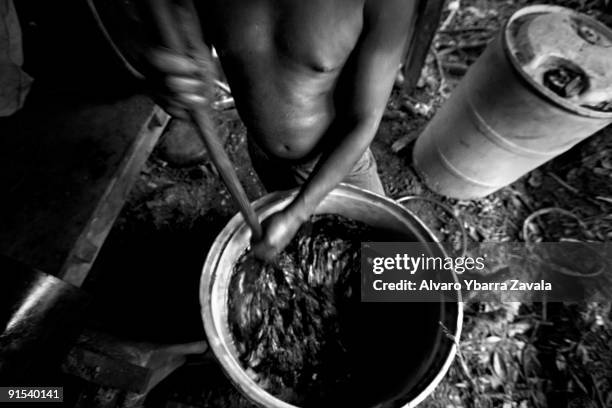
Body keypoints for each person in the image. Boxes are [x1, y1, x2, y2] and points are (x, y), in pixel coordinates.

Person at [149, 0, 416, 260]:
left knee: (393, 272)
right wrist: (175, 83)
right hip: (264, 156)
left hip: (339, 165)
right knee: (309, 255)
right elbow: (191, 57)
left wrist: (297, 212)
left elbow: (366, 118)